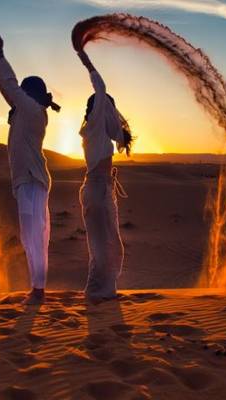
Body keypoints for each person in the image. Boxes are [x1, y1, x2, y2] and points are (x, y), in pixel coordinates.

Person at [0, 32, 60, 305]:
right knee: (33, 236)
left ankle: (38, 291)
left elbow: (10, 87)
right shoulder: (30, 111)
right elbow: (12, 93)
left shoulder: (30, 109)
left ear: (29, 95)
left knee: (34, 237)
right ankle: (37, 288)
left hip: (31, 179)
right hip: (29, 179)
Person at [76, 49, 133, 301]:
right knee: (102, 245)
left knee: (108, 243)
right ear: (100, 109)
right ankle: (98, 293)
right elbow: (100, 87)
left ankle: (99, 291)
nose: (111, 113)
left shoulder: (95, 131)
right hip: (97, 190)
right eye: (107, 108)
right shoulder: (95, 126)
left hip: (102, 189)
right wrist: (84, 57)